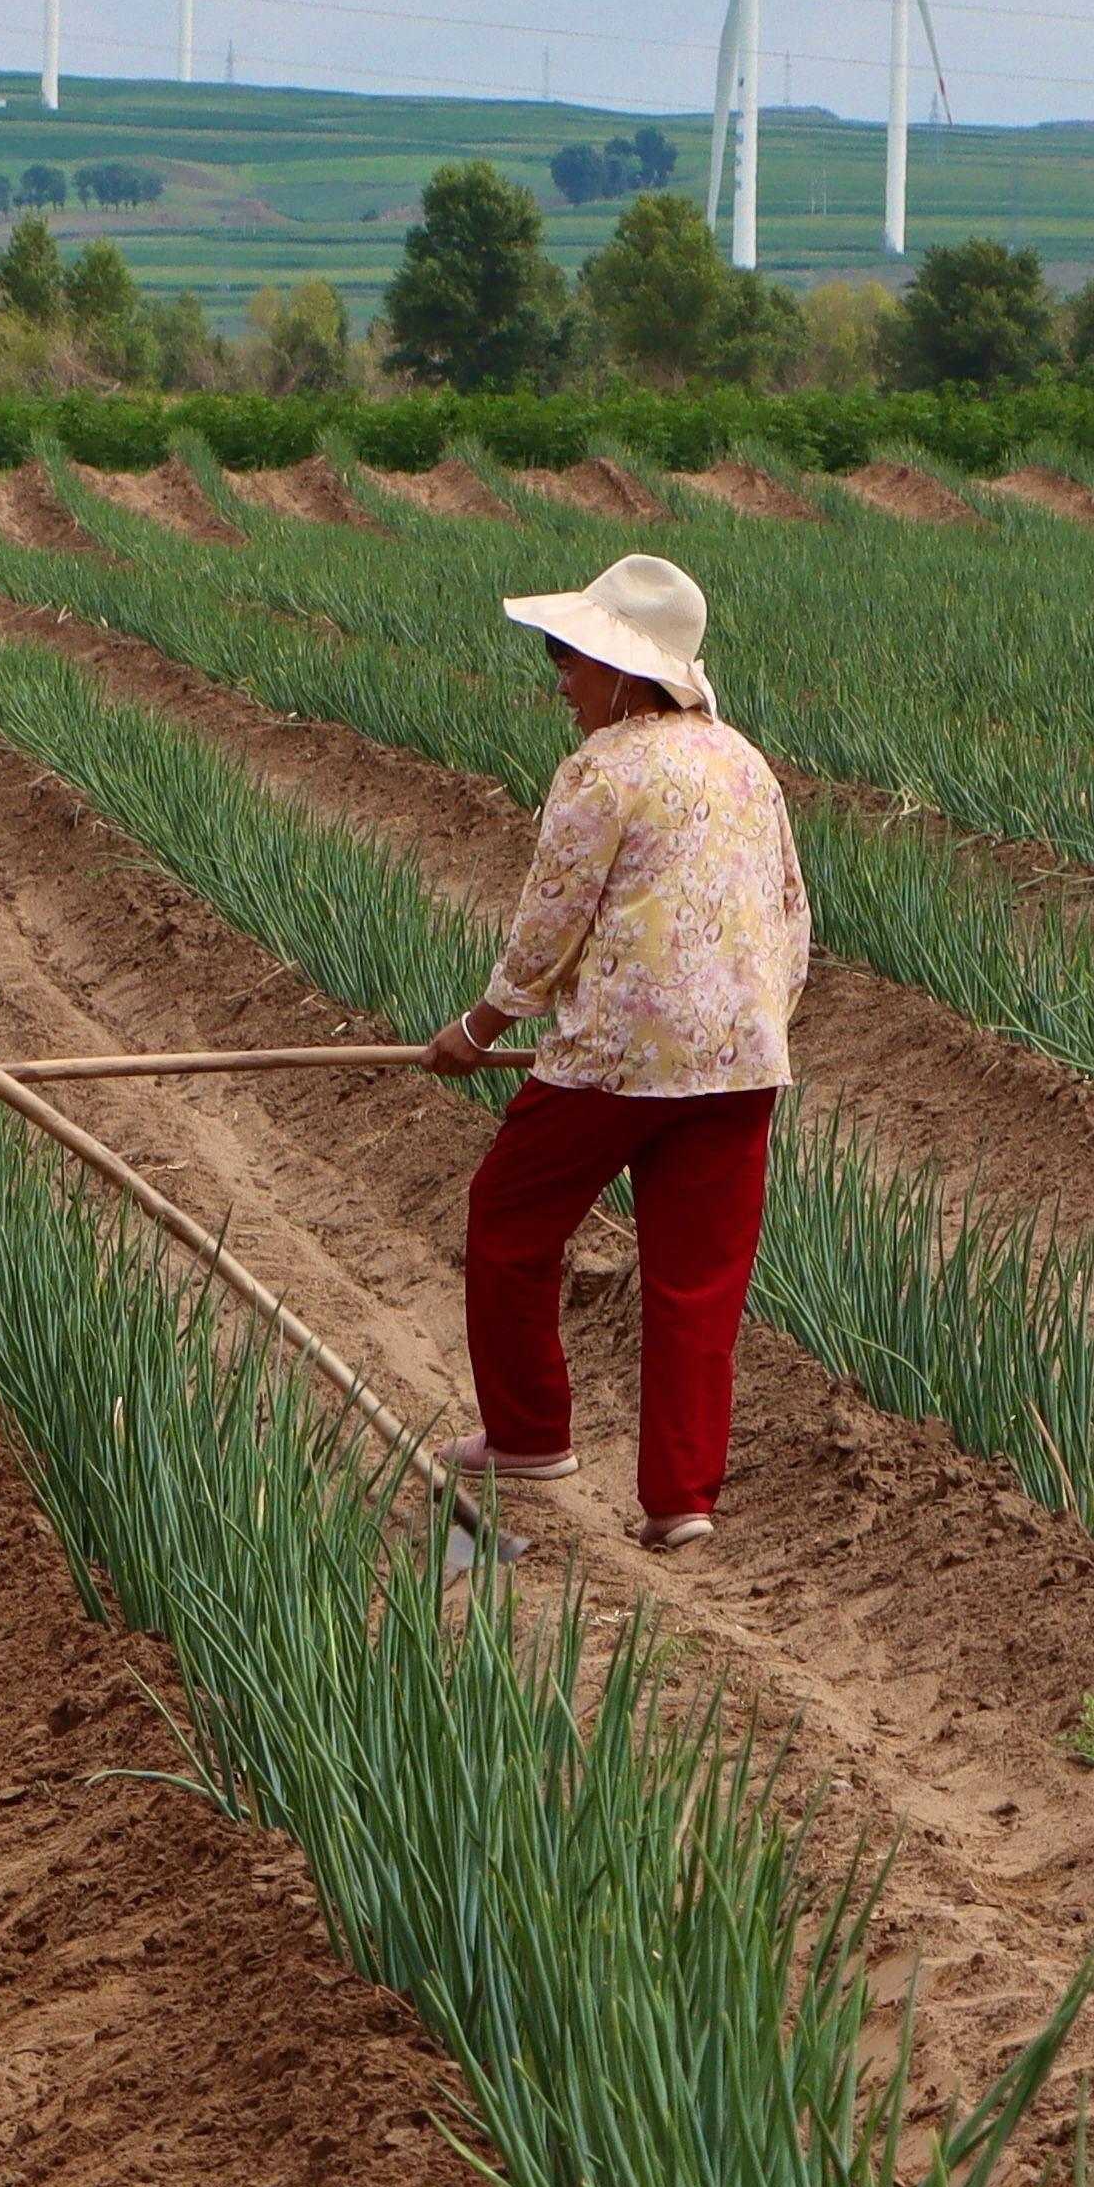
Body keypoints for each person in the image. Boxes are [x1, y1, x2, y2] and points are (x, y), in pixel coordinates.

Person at [413, 549, 803, 1549]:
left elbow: (551, 923)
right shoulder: (743, 758)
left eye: (572, 659)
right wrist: (753, 1020)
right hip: (743, 1063)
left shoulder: (603, 768)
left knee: (508, 1217)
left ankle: (529, 1434)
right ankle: (682, 1502)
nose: (561, 680)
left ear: (626, 672)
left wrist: (478, 1028)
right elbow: (794, 914)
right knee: (695, 1281)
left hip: (618, 1060)